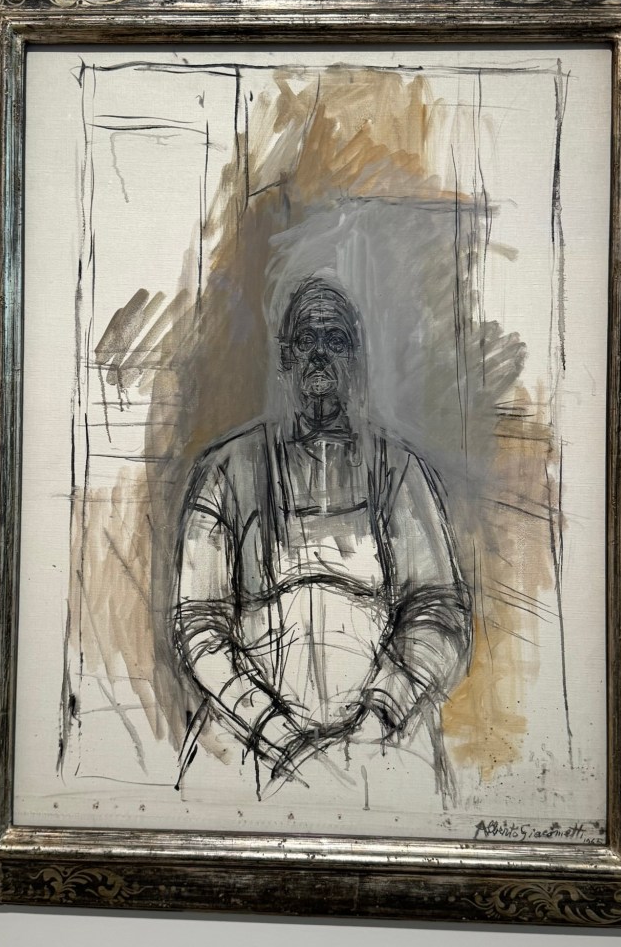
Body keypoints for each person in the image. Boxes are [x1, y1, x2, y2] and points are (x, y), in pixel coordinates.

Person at [172, 276, 472, 803]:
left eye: (335, 340)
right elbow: (199, 623)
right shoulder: (226, 472)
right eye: (305, 340)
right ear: (285, 360)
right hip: (249, 744)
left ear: (355, 361)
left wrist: (377, 718)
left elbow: (438, 611)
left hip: (382, 743)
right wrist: (273, 731)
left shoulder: (401, 472)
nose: (319, 355)